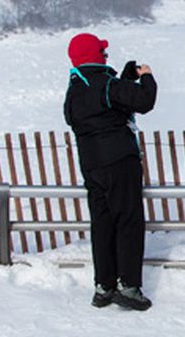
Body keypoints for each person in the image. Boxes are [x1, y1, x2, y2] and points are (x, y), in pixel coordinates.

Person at [63, 33, 157, 311]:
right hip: (119, 161)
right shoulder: (104, 83)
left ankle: (103, 287)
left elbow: (111, 103)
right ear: (96, 56)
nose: (106, 56)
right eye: (102, 52)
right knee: (128, 221)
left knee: (102, 224)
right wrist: (147, 77)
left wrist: (125, 79)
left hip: (91, 165)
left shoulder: (76, 88)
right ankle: (129, 287)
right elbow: (143, 101)